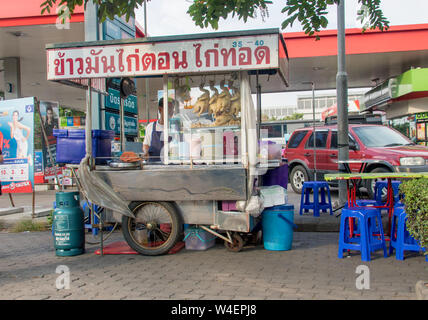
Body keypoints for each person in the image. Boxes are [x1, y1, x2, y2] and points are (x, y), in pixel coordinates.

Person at [142, 97, 175, 162]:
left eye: (172, 109)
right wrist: (146, 152)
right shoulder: (150, 127)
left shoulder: (174, 127)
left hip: (171, 167)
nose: (171, 111)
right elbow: (146, 144)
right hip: (154, 167)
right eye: (168, 108)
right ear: (160, 109)